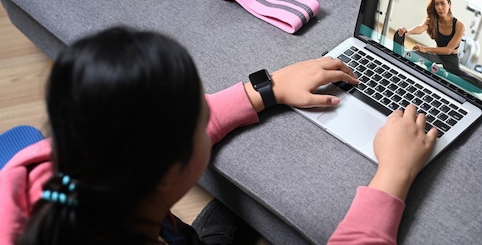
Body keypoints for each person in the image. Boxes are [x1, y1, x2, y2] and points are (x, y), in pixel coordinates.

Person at [0, 26, 437, 245]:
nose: (207, 110)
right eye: (197, 114)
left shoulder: (56, 165)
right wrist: (394, 175)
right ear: (169, 175)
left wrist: (265, 89)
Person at [397, 0, 482, 90]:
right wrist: (407, 32)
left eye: (442, 3)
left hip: (451, 63)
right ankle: (439, 72)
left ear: (449, 4)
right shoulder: (433, 20)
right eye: (436, 4)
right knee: (410, 54)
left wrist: (426, 48)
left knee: (480, 86)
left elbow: (448, 50)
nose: (439, 7)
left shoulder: (459, 26)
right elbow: (421, 27)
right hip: (437, 57)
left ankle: (443, 74)